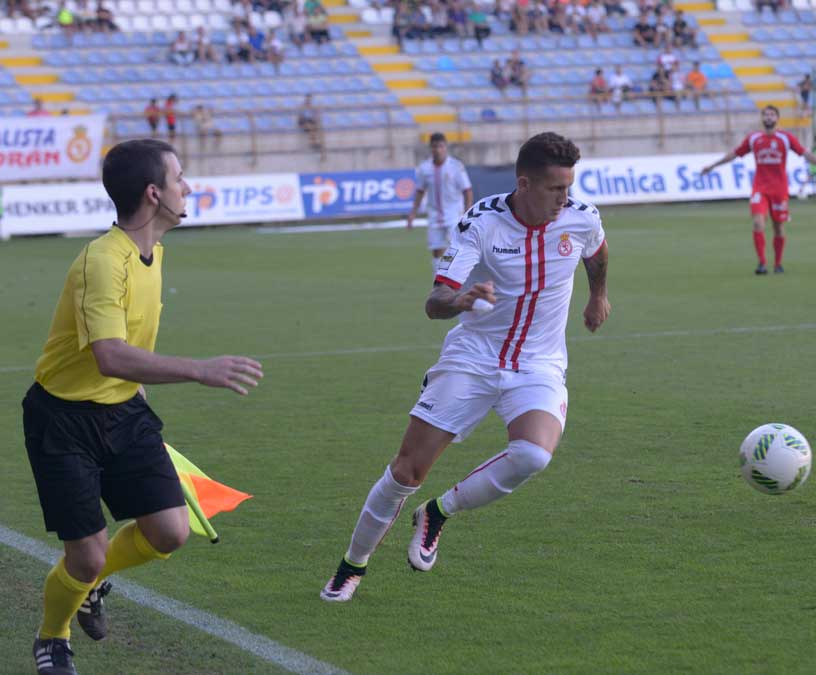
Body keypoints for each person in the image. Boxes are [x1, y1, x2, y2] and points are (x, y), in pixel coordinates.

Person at [319, 132, 611, 602]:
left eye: (569, 188)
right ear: (524, 184)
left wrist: (597, 296)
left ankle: (438, 512)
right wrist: (462, 298)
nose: (565, 198)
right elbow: (435, 303)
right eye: (556, 189)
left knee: (533, 454)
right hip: (473, 358)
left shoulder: (580, 217)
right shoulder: (481, 224)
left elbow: (595, 252)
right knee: (406, 472)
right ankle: (351, 567)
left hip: (538, 363)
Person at [23, 139, 263, 675]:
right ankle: (52, 636)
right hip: (64, 419)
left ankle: (87, 586)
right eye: (180, 177)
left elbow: (130, 345)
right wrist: (199, 369)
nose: (188, 186)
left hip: (125, 409)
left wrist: (142, 395)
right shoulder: (102, 262)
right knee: (84, 554)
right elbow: (110, 355)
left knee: (170, 532)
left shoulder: (153, 251)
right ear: (154, 194)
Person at [700, 106, 816, 274]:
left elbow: (805, 153)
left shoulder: (785, 138)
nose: (769, 117)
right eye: (766, 115)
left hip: (779, 189)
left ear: (777, 118)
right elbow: (734, 154)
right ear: (762, 118)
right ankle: (762, 263)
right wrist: (712, 166)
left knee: (778, 227)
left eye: (772, 114)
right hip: (760, 188)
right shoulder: (754, 138)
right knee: (758, 223)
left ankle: (778, 264)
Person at [408, 132, 474, 273]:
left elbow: (467, 190)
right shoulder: (424, 168)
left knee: (454, 249)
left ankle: (451, 278)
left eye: (440, 146)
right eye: (434, 146)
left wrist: (467, 212)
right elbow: (420, 191)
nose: (437, 149)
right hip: (434, 216)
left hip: (453, 214)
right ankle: (438, 283)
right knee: (437, 251)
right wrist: (413, 213)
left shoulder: (456, 166)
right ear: (430, 148)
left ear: (445, 147)